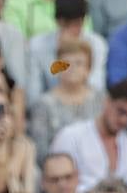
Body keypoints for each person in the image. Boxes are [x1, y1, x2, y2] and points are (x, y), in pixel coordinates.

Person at [49, 78, 127, 193]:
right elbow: (55, 180)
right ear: (107, 102)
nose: (124, 120)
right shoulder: (71, 136)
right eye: (121, 111)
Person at [25, 0, 108, 104]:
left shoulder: (97, 44)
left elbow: (97, 87)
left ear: (83, 21)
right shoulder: (37, 45)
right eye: (66, 24)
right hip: (51, 108)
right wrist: (60, 53)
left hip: (86, 106)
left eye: (77, 24)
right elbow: (33, 95)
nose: (72, 30)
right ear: (57, 21)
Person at [29, 36, 102, 164]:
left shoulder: (101, 100)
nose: (72, 68)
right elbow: (40, 150)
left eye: (79, 63)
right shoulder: (43, 104)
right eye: (66, 63)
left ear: (88, 69)